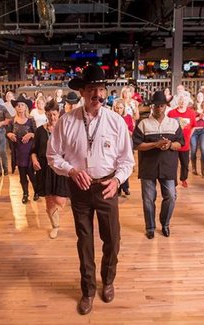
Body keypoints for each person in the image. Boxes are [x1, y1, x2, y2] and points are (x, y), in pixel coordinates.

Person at [47, 65, 134, 315]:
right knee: (85, 242)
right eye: (92, 89)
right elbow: (52, 156)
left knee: (112, 239)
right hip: (80, 189)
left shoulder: (116, 121)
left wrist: (117, 181)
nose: (97, 94)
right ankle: (88, 290)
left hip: (107, 187)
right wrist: (72, 171)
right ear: (83, 92)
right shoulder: (67, 121)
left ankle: (107, 280)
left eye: (101, 89)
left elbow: (127, 161)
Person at [133, 91, 184, 239]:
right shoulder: (143, 124)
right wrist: (155, 144)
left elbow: (180, 144)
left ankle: (165, 223)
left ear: (166, 107)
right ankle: (150, 227)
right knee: (148, 199)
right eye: (156, 105)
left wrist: (169, 145)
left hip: (168, 165)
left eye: (161, 105)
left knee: (171, 196)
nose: (159, 108)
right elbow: (136, 145)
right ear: (152, 106)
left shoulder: (174, 123)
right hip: (148, 166)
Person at [31, 100, 69, 239]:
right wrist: (34, 159)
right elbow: (34, 150)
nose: (52, 117)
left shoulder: (65, 129)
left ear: (59, 113)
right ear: (45, 114)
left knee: (60, 200)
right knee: (49, 200)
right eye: (49, 114)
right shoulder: (40, 131)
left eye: (54, 114)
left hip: (60, 168)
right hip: (45, 168)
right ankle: (55, 226)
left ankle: (57, 216)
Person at [7, 95, 38, 203]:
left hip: (30, 152)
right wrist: (10, 134)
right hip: (18, 152)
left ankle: (36, 191)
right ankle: (25, 194)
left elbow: (37, 134)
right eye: (17, 105)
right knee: (22, 176)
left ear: (26, 108)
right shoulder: (12, 121)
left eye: (21, 105)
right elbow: (8, 132)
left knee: (31, 174)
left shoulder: (30, 120)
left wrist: (30, 134)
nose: (19, 107)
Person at [168, 94, 196, 188]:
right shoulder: (171, 113)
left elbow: (193, 127)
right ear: (178, 101)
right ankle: (174, 181)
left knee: (185, 163)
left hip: (185, 144)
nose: (182, 102)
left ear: (187, 101)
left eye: (184, 100)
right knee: (173, 164)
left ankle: (183, 179)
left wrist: (188, 136)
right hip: (174, 143)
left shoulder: (191, 113)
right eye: (181, 100)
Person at [112, 99, 134, 196]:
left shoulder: (128, 117)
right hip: (114, 143)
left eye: (121, 108)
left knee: (125, 164)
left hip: (127, 141)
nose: (119, 110)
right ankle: (117, 187)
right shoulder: (111, 117)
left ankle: (125, 187)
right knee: (115, 165)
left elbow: (132, 131)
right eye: (117, 107)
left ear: (124, 108)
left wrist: (126, 130)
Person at [191, 91, 204, 176]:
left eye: (201, 96)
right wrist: (198, 118)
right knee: (193, 149)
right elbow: (190, 121)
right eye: (198, 96)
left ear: (203, 98)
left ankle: (203, 170)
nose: (199, 97)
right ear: (196, 97)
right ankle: (194, 168)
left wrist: (202, 117)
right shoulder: (192, 107)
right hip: (194, 130)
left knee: (203, 149)